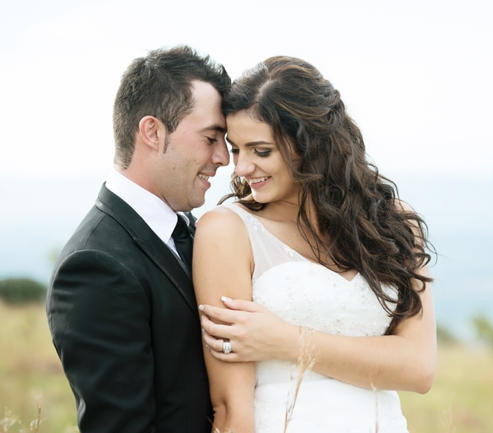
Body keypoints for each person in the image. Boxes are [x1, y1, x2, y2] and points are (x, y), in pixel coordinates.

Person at [193, 56, 436, 433]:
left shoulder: (393, 224)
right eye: (236, 149)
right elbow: (230, 408)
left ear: (311, 145)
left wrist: (285, 340)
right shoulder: (227, 231)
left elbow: (418, 369)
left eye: (261, 151)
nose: (240, 168)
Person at [46, 46, 230, 433]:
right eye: (211, 138)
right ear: (152, 131)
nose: (224, 157)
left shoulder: (200, 232)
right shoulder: (94, 266)